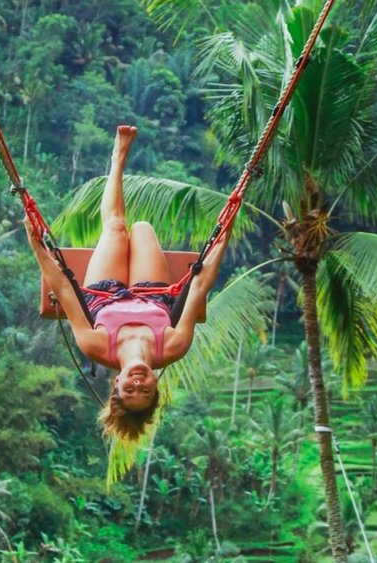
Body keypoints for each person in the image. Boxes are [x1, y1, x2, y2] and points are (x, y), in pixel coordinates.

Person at [25, 125, 231, 441]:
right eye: (144, 392)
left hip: (104, 292)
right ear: (155, 388)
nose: (138, 383)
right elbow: (200, 287)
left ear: (116, 383)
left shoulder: (95, 345)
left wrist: (37, 248)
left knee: (118, 228)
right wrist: (224, 234)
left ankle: (117, 158)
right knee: (144, 228)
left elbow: (65, 290)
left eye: (129, 389)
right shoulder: (173, 346)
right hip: (153, 293)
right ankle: (121, 170)